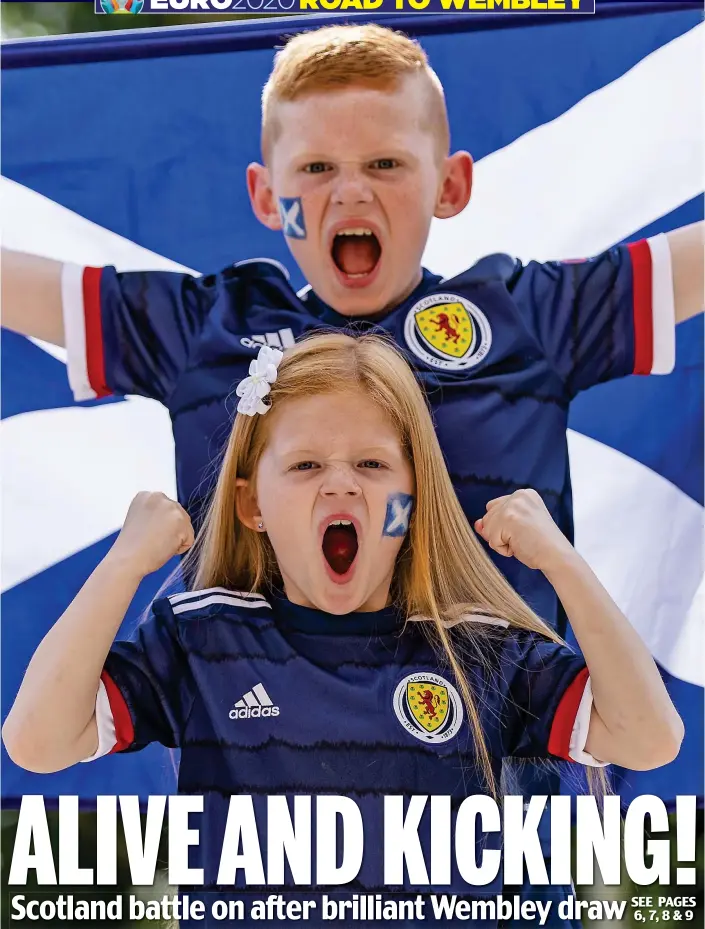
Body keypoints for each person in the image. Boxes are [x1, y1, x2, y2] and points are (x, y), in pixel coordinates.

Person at [1, 21, 701, 918]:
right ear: (266, 195)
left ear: (449, 184)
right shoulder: (209, 329)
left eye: (383, 165)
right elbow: (27, 285)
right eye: (316, 170)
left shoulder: (521, 316)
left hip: (495, 798)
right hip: (273, 796)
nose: (347, 194)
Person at [3, 334, 683, 928]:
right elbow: (36, 740)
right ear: (252, 503)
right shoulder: (197, 638)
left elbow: (647, 736)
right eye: (304, 465)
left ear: (410, 502)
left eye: (372, 464)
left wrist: (561, 562)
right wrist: (124, 563)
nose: (340, 486)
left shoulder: (477, 648)